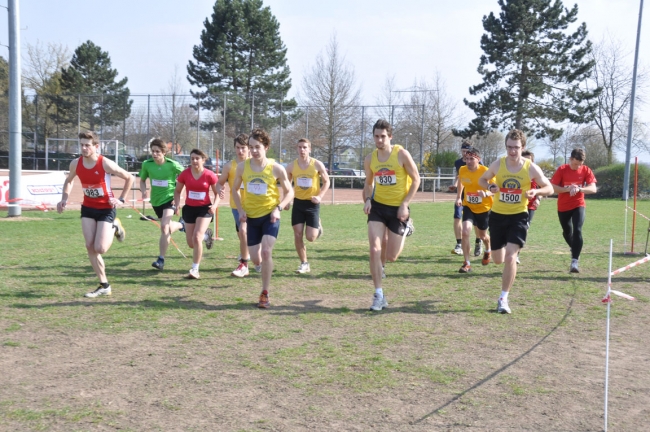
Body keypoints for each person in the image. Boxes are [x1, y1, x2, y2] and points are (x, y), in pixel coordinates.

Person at [478, 129, 553, 314]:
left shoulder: (530, 167)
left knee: (511, 256)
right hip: (497, 215)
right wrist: (490, 186)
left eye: (516, 148)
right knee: (498, 260)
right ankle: (492, 251)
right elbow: (482, 179)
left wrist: (536, 192)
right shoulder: (498, 164)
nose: (512, 151)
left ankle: (503, 298)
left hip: (519, 216)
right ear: (506, 147)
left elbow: (549, 188)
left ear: (523, 147)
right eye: (509, 147)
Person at [56, 131, 134, 298]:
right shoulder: (75, 164)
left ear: (96, 146)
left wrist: (121, 199)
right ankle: (104, 284)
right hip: (88, 209)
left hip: (106, 209)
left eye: (87, 145)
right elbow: (69, 180)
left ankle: (115, 226)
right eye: (82, 145)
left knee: (101, 248)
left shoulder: (105, 163)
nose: (84, 148)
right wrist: (64, 199)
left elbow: (129, 178)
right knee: (90, 246)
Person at [231, 128, 294, 308]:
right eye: (251, 147)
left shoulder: (276, 168)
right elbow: (235, 189)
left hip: (270, 216)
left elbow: (290, 192)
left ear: (266, 147)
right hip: (251, 217)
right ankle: (260, 266)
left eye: (257, 147)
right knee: (256, 258)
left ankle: (264, 293)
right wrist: (241, 209)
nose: (253, 151)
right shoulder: (243, 167)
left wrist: (279, 208)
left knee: (266, 251)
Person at [364, 119, 420, 311]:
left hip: (398, 209)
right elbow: (369, 183)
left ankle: (407, 227)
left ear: (390, 136)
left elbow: (416, 180)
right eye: (376, 136)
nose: (379, 140)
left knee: (391, 256)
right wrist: (367, 199)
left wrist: (405, 204)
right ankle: (378, 295)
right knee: (374, 250)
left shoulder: (401, 154)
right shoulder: (370, 159)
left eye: (383, 136)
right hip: (378, 207)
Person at [285, 138, 330, 274]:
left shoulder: (317, 164)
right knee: (298, 234)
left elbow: (326, 182)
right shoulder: (292, 166)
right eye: (299, 147)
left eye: (305, 147)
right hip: (298, 203)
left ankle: (318, 224)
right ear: (297, 149)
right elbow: (287, 183)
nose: (302, 150)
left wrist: (320, 196)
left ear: (309, 149)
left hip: (312, 203)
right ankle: (304, 263)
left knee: (310, 237)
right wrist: (286, 200)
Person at [139, 138, 185, 271]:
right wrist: (143, 192)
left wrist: (178, 197)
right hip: (156, 201)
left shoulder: (173, 165)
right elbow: (142, 180)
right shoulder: (147, 164)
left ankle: (161, 259)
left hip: (169, 199)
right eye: (153, 151)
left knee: (164, 227)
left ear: (164, 152)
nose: (154, 154)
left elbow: (186, 177)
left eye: (158, 152)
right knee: (168, 228)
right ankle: (182, 225)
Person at [173, 149, 218, 279]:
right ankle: (206, 236)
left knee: (196, 237)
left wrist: (214, 205)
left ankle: (195, 269)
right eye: (192, 158)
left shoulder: (209, 175)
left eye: (197, 158)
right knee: (191, 243)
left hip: (205, 209)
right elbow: (177, 191)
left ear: (203, 160)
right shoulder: (185, 174)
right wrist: (177, 204)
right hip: (189, 209)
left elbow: (217, 193)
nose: (194, 161)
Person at [550, 148, 597, 273]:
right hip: (563, 206)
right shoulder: (562, 169)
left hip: (578, 204)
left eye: (579, 164)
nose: (577, 167)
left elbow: (593, 189)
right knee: (567, 232)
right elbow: (553, 187)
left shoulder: (586, 170)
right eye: (575, 164)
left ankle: (574, 261)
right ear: (570, 159)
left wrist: (579, 189)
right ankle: (574, 247)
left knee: (578, 229)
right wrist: (568, 189)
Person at [217, 133, 254, 278]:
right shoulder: (229, 166)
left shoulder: (254, 164)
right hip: (236, 206)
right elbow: (219, 182)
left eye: (243, 148)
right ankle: (248, 259)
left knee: (246, 233)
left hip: (254, 205)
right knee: (242, 235)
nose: (240, 151)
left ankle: (244, 264)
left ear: (249, 149)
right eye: (238, 148)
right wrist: (220, 190)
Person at [455, 147, 493, 273]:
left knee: (483, 236)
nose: (469, 161)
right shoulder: (462, 169)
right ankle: (467, 263)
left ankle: (488, 250)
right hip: (468, 206)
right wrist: (459, 197)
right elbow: (461, 181)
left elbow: (496, 189)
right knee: (465, 232)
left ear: (478, 159)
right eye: (467, 159)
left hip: (484, 208)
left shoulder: (486, 171)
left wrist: (486, 194)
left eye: (472, 159)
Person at [452, 140, 484, 257]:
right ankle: (459, 244)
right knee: (457, 218)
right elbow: (460, 178)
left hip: (477, 197)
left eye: (467, 151)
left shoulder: (479, 163)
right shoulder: (458, 163)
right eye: (463, 151)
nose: (465, 154)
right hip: (463, 197)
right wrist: (457, 193)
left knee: (476, 224)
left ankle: (478, 241)